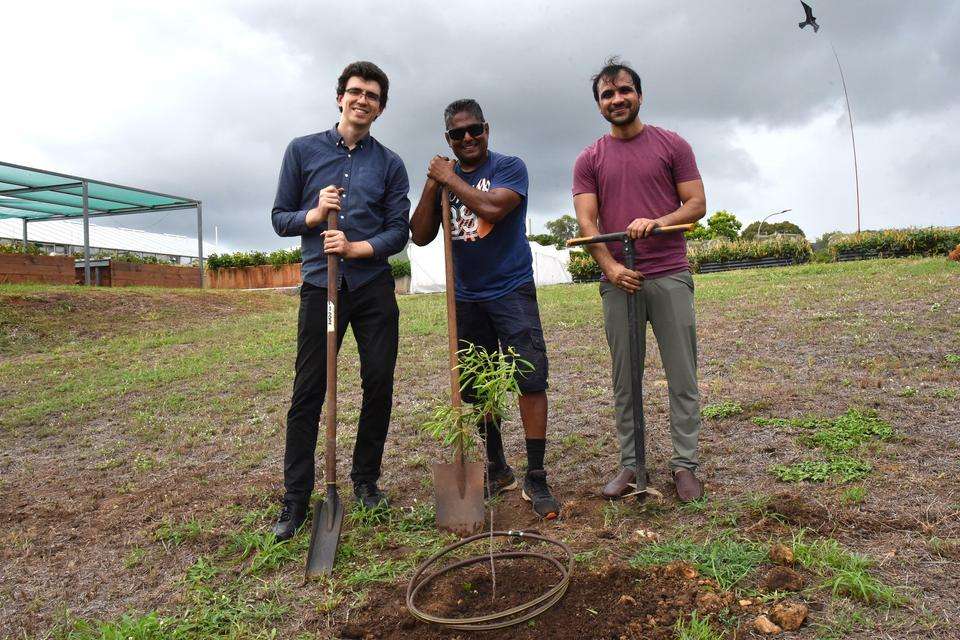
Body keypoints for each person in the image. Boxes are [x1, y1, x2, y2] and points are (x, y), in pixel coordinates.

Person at [270, 61, 410, 540]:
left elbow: (398, 231)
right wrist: (314, 216)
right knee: (308, 390)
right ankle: (295, 499)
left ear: (381, 108)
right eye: (355, 92)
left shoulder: (390, 164)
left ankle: (366, 480)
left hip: (372, 288)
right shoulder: (302, 150)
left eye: (372, 95)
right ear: (339, 97)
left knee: (379, 382)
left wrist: (356, 248)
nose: (362, 100)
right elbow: (280, 218)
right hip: (320, 288)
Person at [409, 98, 560, 519]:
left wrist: (450, 179)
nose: (468, 138)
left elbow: (493, 207)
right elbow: (419, 235)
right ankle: (497, 466)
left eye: (474, 129)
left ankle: (536, 475)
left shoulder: (510, 167)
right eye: (458, 133)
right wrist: (432, 184)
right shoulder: (444, 179)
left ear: (486, 129)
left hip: (511, 290)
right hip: (466, 297)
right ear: (448, 139)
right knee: (478, 385)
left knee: (529, 377)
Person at [572, 57, 707, 502]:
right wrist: (610, 268)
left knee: (682, 375)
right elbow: (587, 222)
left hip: (669, 274)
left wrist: (657, 221)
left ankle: (685, 465)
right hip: (619, 282)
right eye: (607, 94)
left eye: (624, 90)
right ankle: (632, 464)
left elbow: (696, 203)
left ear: (640, 95)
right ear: (599, 104)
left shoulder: (672, 145)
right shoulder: (589, 159)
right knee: (625, 380)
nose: (617, 99)